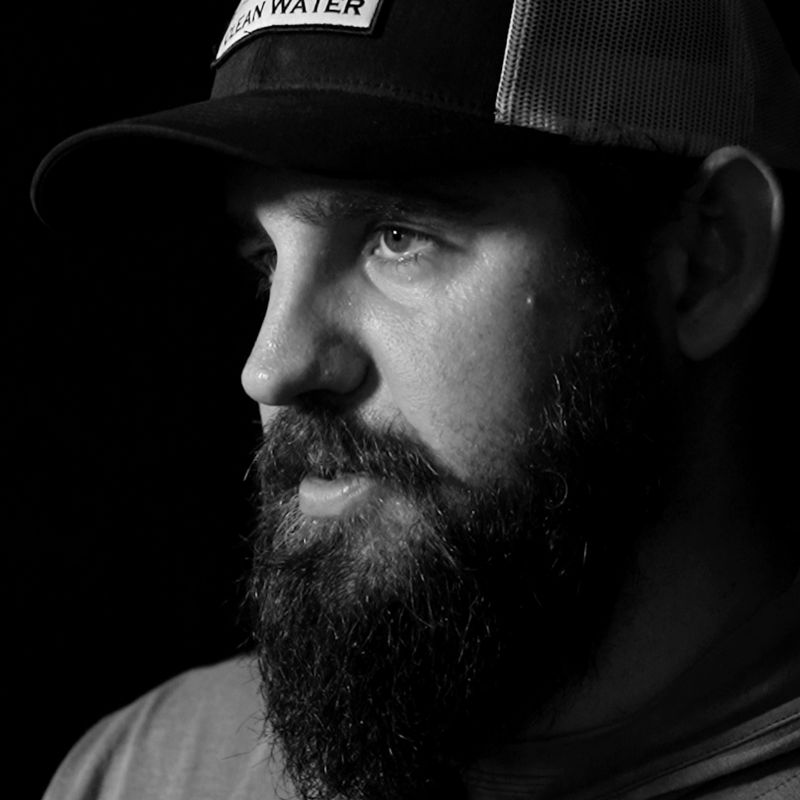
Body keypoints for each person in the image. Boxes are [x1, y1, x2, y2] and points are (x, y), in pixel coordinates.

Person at [31, 1, 800, 798]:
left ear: (708, 260)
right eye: (265, 258)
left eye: (398, 236)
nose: (271, 369)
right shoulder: (149, 771)